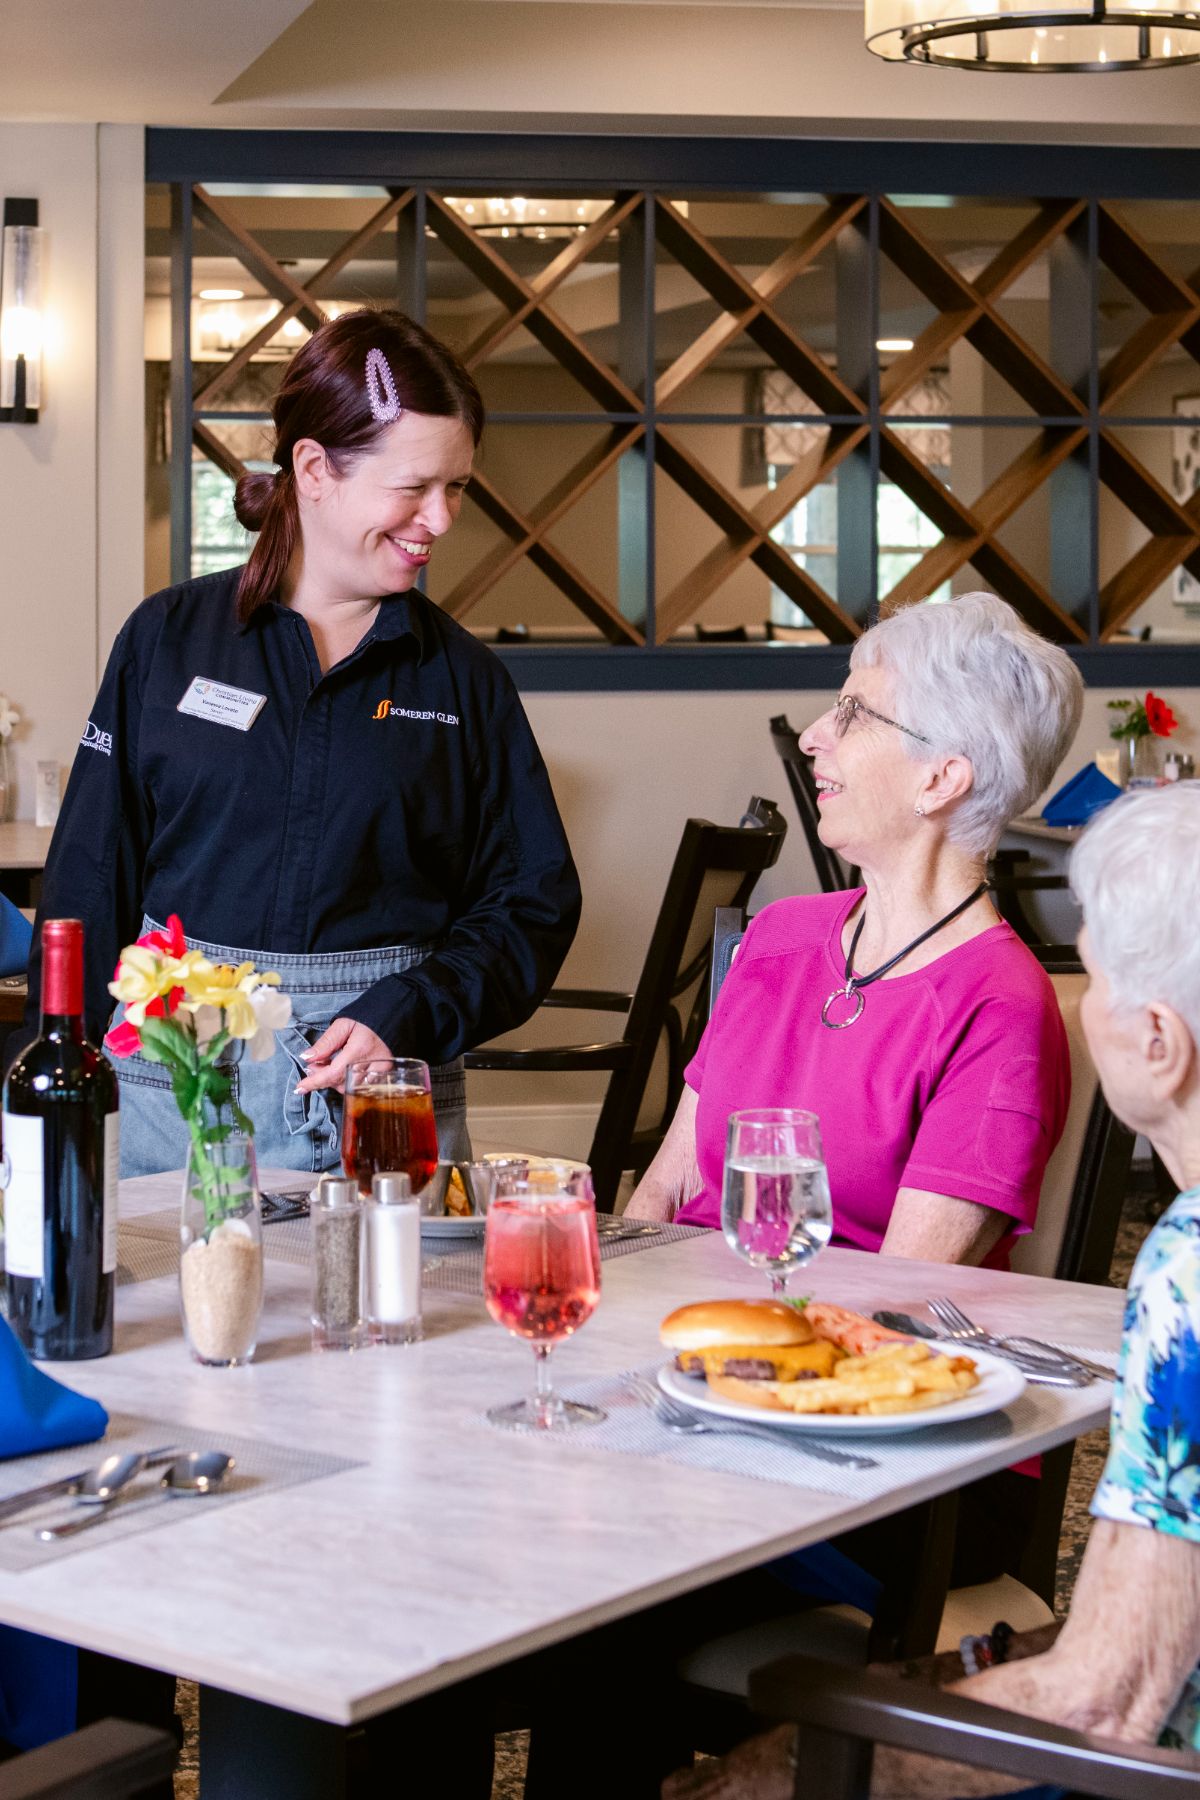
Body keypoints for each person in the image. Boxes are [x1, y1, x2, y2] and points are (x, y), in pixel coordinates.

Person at [666, 783, 1200, 1800]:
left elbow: (1109, 1705)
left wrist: (787, 1759)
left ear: (1161, 1043)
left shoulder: (1191, 1272)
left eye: (1096, 981)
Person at [11, 310, 582, 1176]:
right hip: (174, 1088)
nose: (441, 518)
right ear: (314, 468)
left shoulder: (463, 681)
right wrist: (60, 1101)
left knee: (392, 1318)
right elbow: (90, 877)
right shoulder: (165, 641)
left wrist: (412, 1006)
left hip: (380, 1091)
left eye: (456, 488)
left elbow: (533, 903)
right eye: (414, 487)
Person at [627, 592, 1082, 1272]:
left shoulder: (998, 1007)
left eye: (855, 714)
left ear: (940, 778)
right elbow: (662, 1192)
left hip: (841, 1356)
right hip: (683, 1329)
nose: (814, 734)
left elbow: (899, 1294)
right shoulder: (781, 934)